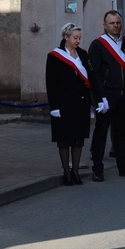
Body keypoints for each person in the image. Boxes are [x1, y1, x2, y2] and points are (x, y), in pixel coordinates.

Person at [88, 11, 125, 181]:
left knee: (121, 133)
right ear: (104, 25)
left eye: (118, 22)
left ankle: (124, 166)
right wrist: (100, 97)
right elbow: (94, 73)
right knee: (101, 131)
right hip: (107, 94)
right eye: (111, 23)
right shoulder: (98, 45)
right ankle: (97, 168)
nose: (116, 26)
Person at [45, 23, 93, 186]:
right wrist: (54, 107)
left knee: (78, 138)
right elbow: (51, 83)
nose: (78, 41)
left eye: (79, 38)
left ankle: (76, 171)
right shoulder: (54, 56)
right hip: (64, 104)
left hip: (81, 103)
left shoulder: (82, 54)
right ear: (66, 37)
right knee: (64, 139)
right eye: (75, 38)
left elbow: (90, 78)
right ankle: (66, 171)